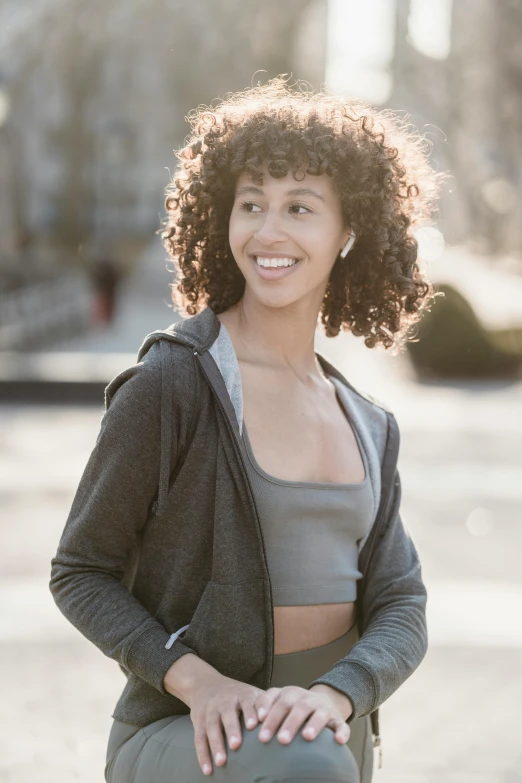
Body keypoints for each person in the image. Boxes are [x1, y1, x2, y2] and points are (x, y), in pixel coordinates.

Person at [49, 76, 442, 783]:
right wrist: (198, 681)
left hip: (328, 735)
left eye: (299, 207)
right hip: (188, 730)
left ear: (348, 230)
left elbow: (401, 601)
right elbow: (81, 570)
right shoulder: (176, 386)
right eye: (251, 203)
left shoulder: (369, 421)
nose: (268, 231)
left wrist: (337, 691)